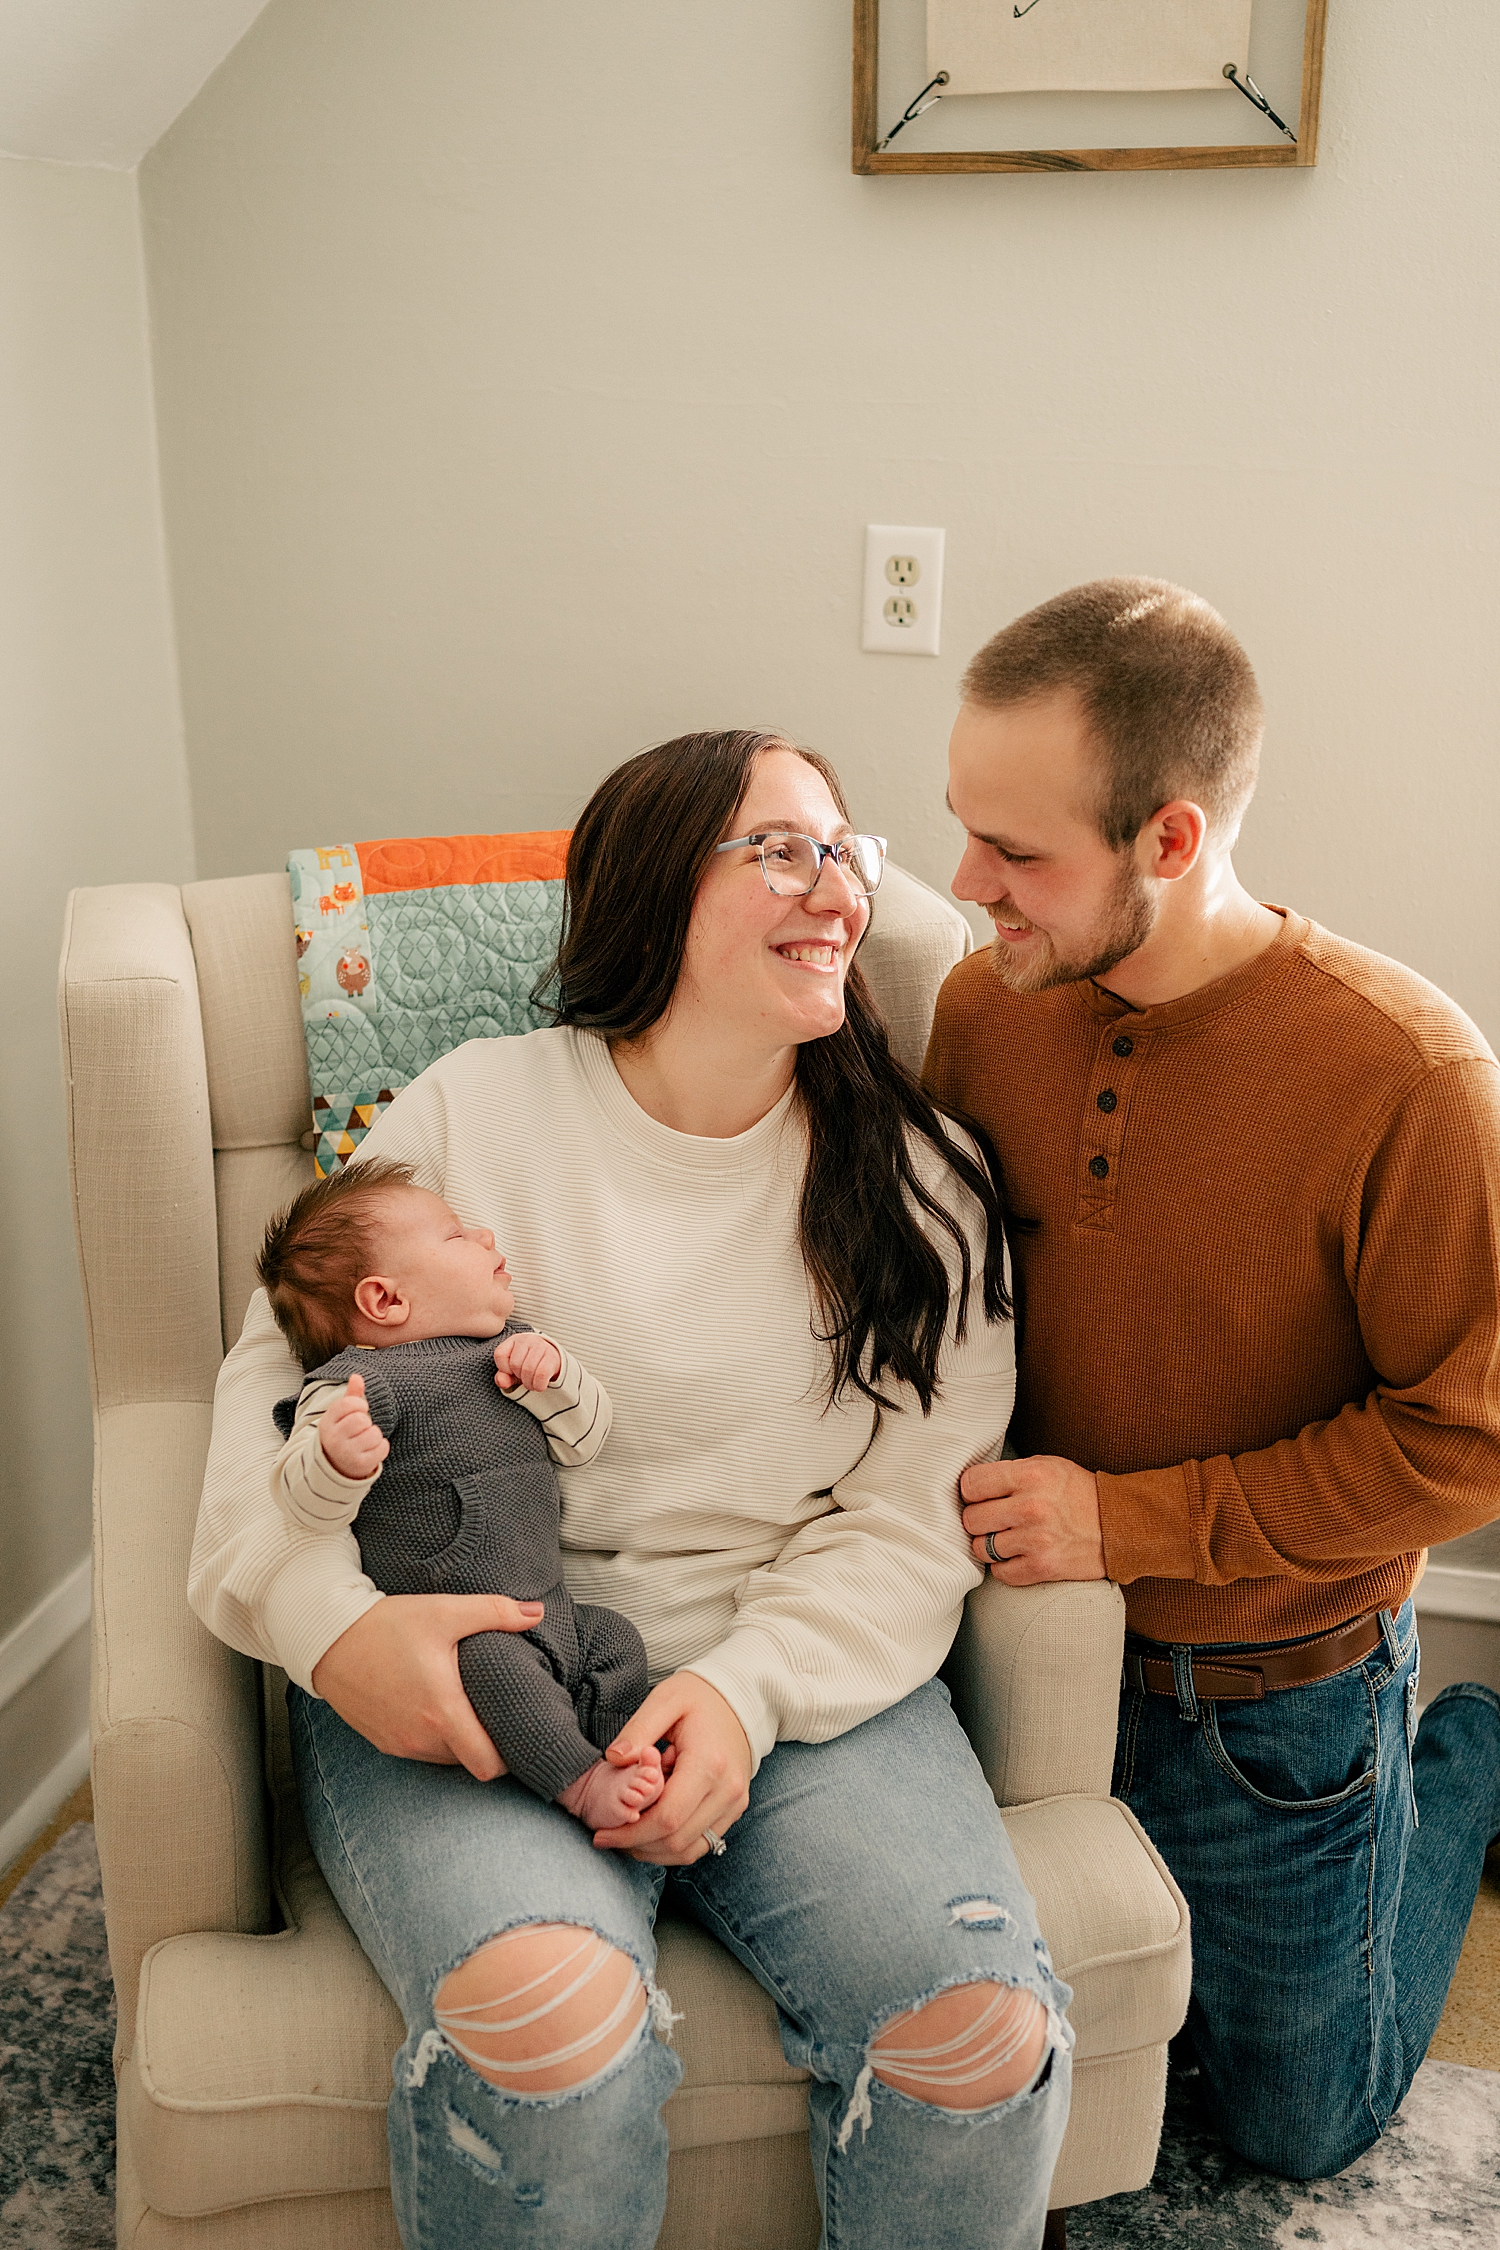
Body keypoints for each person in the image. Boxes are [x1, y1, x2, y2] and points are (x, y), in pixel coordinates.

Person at [189, 728, 1073, 2250]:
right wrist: (338, 1632)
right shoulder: (474, 1112)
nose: (838, 888)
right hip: (475, 1656)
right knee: (549, 2030)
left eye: (843, 850)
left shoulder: (922, 1180)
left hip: (792, 1665)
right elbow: (270, 1400)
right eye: (782, 849)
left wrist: (745, 1692)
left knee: (980, 2034)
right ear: (656, 890)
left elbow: (913, 1509)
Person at [924, 578, 1500, 2182]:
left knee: (1293, 2125)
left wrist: (1134, 1519)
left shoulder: (1411, 1076)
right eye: (963, 828)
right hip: (1026, 1649)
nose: (967, 886)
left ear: (1169, 841)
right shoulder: (984, 1005)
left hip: (1275, 1697)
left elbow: (1469, 1446)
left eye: (1018, 852)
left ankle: (1463, 1751)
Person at [258, 1160, 667, 1833]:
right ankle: (579, 1780)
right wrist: (336, 1457)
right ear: (385, 1300)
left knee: (617, 1644)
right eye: (454, 1237)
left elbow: (585, 1440)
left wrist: (555, 1378)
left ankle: (620, 1752)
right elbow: (301, 1506)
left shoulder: (512, 1346)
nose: (482, 1236)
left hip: (553, 1609)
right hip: (463, 1629)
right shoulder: (357, 1385)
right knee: (503, 1677)